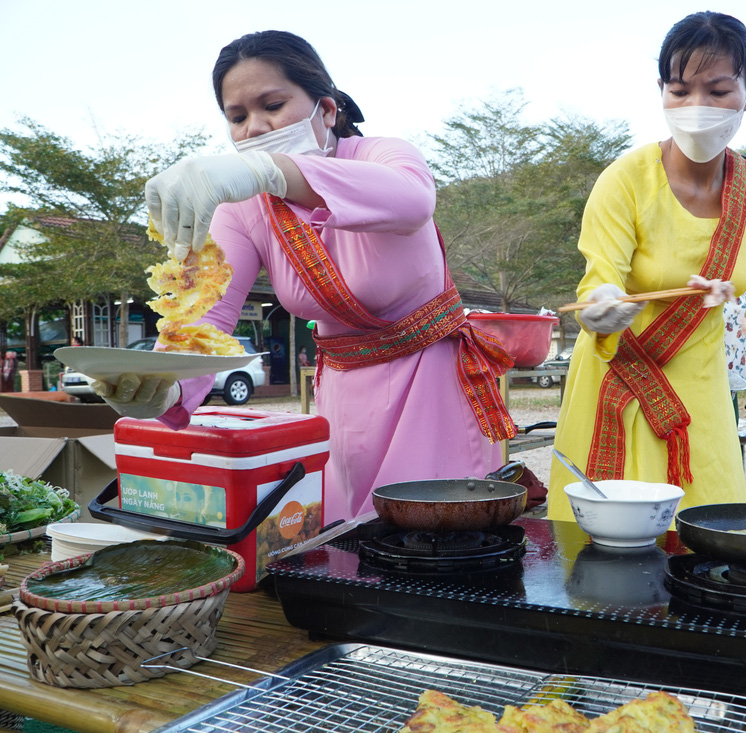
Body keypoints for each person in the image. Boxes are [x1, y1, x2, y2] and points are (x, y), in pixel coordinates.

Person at [93, 30, 517, 523]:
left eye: (272, 104)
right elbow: (205, 318)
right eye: (237, 117)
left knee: (433, 536)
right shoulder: (241, 208)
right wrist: (162, 389)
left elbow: (412, 200)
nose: (254, 128)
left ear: (328, 110)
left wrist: (269, 172)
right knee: (343, 539)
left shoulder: (384, 156)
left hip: (433, 387)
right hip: (340, 397)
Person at [547, 11, 746, 518]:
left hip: (699, 393)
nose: (697, 107)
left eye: (718, 92)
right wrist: (601, 305)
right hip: (616, 381)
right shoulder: (625, 178)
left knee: (703, 536)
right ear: (662, 92)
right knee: (602, 550)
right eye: (680, 91)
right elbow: (600, 277)